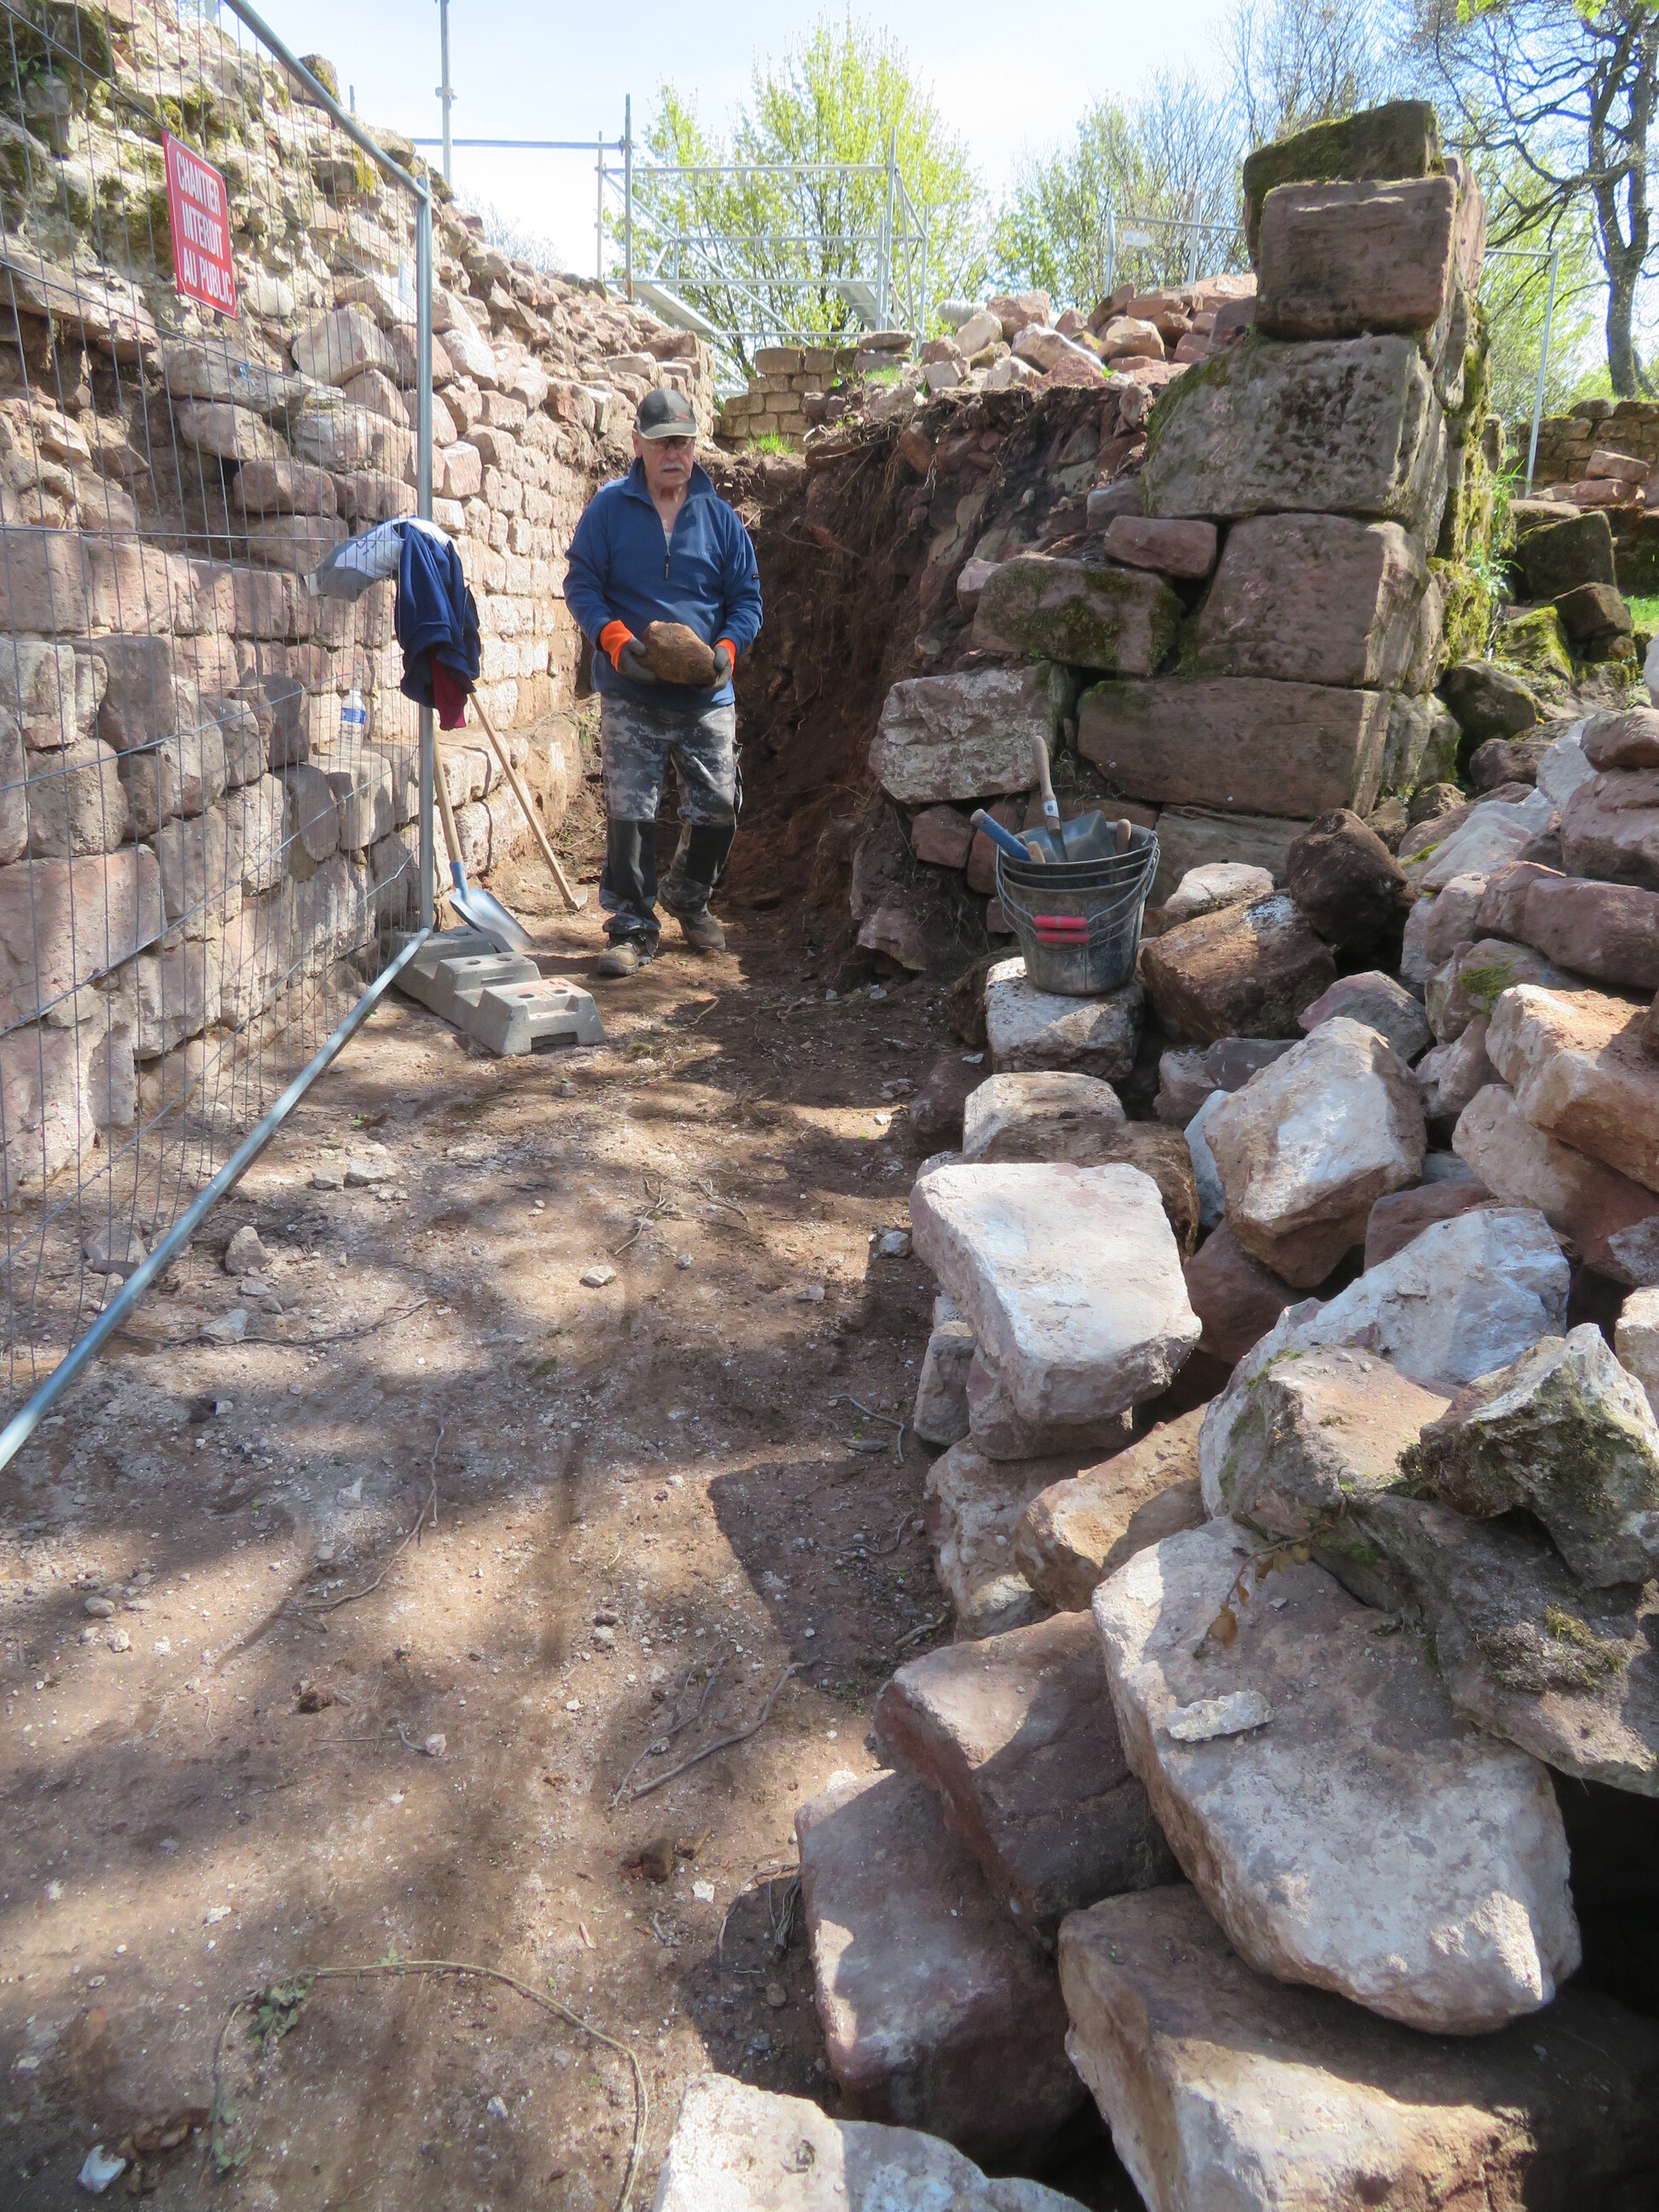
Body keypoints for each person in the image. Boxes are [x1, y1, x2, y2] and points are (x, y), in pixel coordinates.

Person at [564, 387, 763, 977]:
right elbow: (581, 584)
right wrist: (613, 639)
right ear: (638, 445)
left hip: (706, 694)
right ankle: (631, 925)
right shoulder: (608, 510)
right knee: (632, 811)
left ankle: (688, 897)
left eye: (683, 442)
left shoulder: (720, 520)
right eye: (661, 443)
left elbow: (746, 600)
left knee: (718, 807)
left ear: (695, 445)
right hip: (633, 689)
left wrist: (726, 649)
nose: (674, 454)